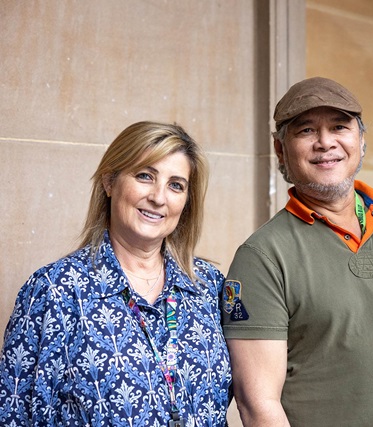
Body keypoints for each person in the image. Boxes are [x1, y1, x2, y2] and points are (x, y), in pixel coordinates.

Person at [221, 76, 373, 426]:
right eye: (306, 131)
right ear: (280, 150)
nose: (325, 143)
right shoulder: (262, 257)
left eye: (339, 126)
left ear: (361, 141)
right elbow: (258, 404)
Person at [0, 121, 232, 426]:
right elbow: (14, 415)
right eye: (145, 176)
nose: (159, 197)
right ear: (110, 182)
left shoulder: (210, 286)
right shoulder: (54, 291)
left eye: (176, 185)